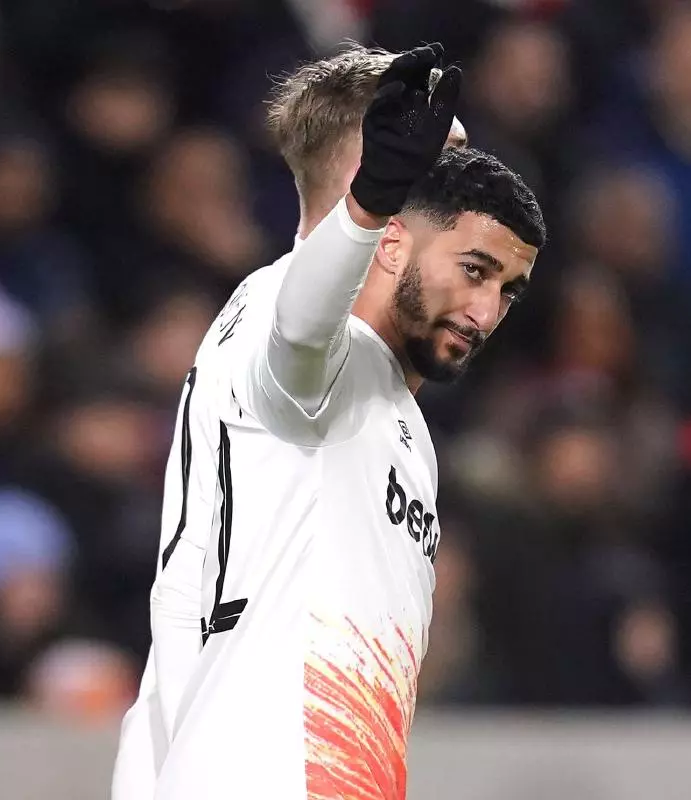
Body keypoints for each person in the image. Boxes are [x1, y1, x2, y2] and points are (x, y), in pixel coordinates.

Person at [111, 44, 468, 799]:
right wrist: (370, 209)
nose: (477, 200)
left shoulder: (387, 397)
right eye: (446, 169)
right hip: (261, 769)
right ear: (374, 172)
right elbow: (303, 333)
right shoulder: (278, 309)